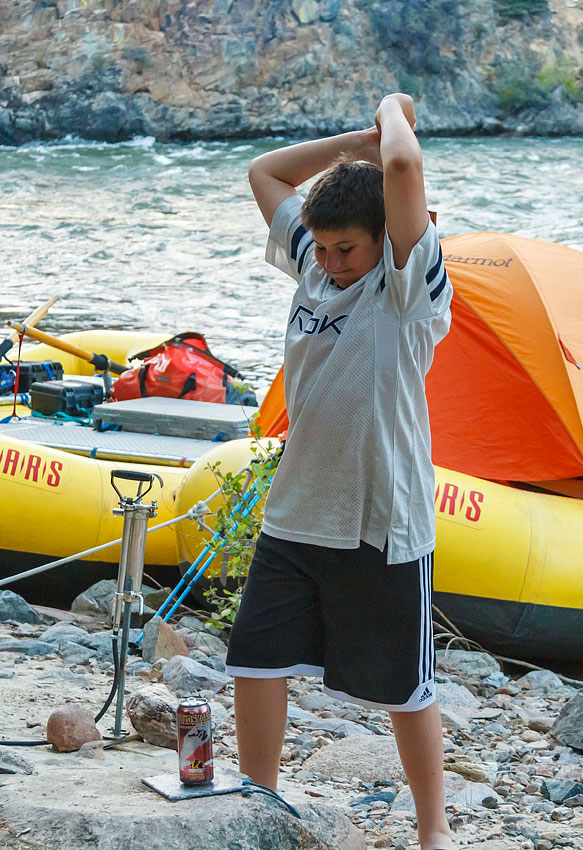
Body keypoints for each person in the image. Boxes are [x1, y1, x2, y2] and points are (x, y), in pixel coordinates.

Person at [225, 93, 456, 850]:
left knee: (404, 689)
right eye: (321, 248)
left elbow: (400, 163)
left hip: (380, 519)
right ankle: (256, 804)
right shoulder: (316, 271)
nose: (329, 261)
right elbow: (263, 170)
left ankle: (433, 831)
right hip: (298, 509)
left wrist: (392, 110)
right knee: (256, 663)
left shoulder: (403, 284)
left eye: (346, 249)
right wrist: (353, 139)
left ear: (386, 239)